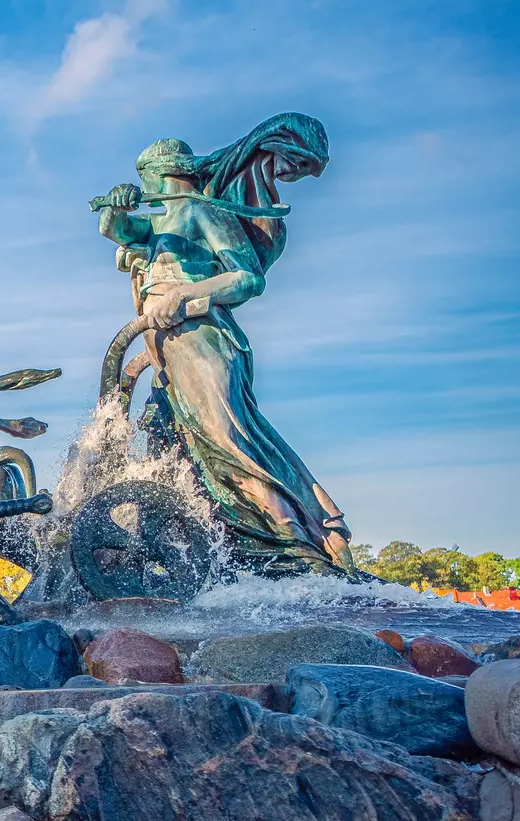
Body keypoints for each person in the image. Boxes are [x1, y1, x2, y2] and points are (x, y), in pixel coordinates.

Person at [94, 112, 354, 576]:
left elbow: (247, 277)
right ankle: (226, 549)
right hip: (165, 346)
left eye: (143, 178)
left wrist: (183, 294)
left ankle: (297, 542)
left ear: (159, 175)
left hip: (203, 339)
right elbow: (118, 231)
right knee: (175, 439)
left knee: (227, 439)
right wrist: (117, 207)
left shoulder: (201, 212)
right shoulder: (161, 224)